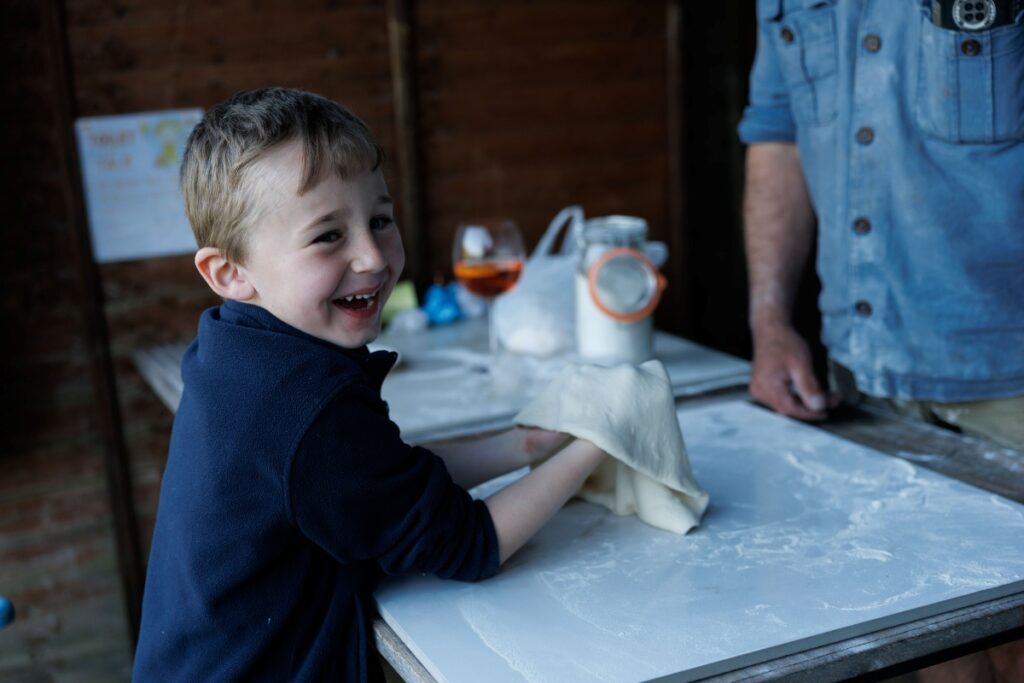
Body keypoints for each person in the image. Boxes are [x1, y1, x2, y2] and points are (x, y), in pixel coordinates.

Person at [132, 88, 608, 682]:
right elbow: (472, 543)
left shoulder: (236, 346)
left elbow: (383, 477)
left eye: (380, 220)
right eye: (328, 235)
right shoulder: (305, 402)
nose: (374, 257)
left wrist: (522, 449)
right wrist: (599, 442)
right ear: (229, 272)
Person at [738, 2, 1024, 681]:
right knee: (925, 641)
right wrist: (771, 320)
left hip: (1011, 379)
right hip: (861, 373)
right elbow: (778, 132)